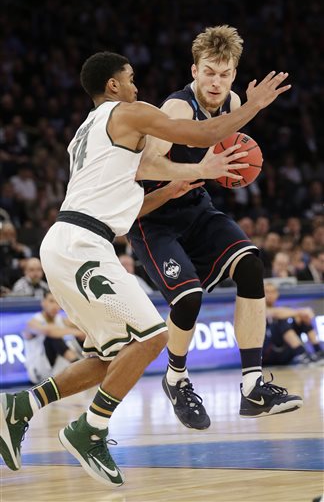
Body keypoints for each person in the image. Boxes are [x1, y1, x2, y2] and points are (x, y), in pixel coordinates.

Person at [0, 50, 299, 488]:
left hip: (69, 242)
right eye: (132, 77)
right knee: (154, 336)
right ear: (114, 85)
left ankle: (21, 407)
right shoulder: (127, 112)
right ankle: (90, 428)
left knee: (110, 359)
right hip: (83, 244)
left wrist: (173, 187)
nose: (139, 87)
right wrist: (252, 107)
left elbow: (128, 204)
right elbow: (201, 133)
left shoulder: (85, 134)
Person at [128, 25, 302, 430]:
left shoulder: (234, 102)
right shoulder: (176, 109)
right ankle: (176, 378)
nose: (216, 81)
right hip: (152, 215)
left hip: (194, 205)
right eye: (209, 72)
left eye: (224, 74)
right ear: (194, 70)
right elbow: (145, 166)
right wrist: (198, 169)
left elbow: (224, 150)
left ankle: (253, 386)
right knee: (187, 297)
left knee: (250, 264)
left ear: (234, 76)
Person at [23, 291, 85, 383]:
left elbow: (84, 329)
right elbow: (49, 331)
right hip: (38, 372)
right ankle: (79, 368)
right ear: (43, 302)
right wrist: (77, 332)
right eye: (51, 301)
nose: (55, 306)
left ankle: (87, 365)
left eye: (57, 302)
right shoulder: (32, 322)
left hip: (55, 372)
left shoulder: (62, 320)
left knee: (81, 337)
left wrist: (81, 333)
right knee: (52, 337)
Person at [262, 282, 323, 366]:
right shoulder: (260, 309)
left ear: (277, 294)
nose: (270, 294)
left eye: (273, 292)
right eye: (267, 292)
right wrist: (302, 311)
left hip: (285, 352)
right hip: (268, 354)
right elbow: (275, 313)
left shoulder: (282, 309)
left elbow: (283, 313)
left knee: (302, 319)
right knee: (282, 321)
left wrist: (302, 315)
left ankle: (318, 352)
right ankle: (302, 354)